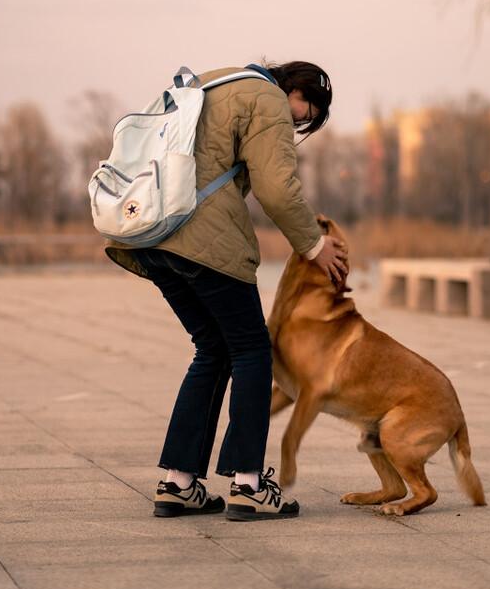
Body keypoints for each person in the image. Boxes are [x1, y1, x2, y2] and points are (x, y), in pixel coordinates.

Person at [105, 60, 348, 521]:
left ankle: (179, 483)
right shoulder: (269, 100)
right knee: (252, 350)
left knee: (212, 348)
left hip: (154, 233)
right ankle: (249, 484)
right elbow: (277, 189)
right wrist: (314, 245)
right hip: (203, 238)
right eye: (306, 113)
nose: (299, 122)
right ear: (297, 91)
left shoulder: (219, 80)